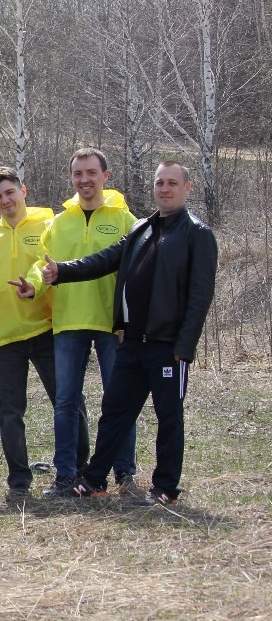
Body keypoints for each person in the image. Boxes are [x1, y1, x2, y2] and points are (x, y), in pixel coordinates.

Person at [42, 162, 217, 505]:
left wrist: (186, 344)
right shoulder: (141, 229)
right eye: (159, 183)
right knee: (115, 412)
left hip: (168, 346)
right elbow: (104, 260)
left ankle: (165, 487)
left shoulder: (198, 233)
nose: (164, 189)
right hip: (132, 343)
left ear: (187, 188)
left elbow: (200, 295)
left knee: (168, 416)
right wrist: (61, 271)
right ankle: (93, 479)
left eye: (172, 183)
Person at [29, 148, 139, 498]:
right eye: (78, 174)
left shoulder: (126, 221)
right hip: (68, 322)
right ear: (71, 178)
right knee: (65, 402)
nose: (84, 180)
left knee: (118, 400)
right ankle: (65, 476)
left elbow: (137, 273)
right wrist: (34, 282)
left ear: (106, 176)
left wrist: (129, 319)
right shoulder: (58, 223)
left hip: (112, 325)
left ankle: (124, 474)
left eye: (91, 173)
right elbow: (41, 266)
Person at [0, 168, 81, 498]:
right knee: (10, 411)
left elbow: (46, 265)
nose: (5, 201)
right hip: (6, 337)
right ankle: (19, 479)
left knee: (68, 401)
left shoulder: (48, 225)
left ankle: (79, 469)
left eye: (10, 193)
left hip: (48, 329)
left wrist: (33, 285)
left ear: (24, 191)